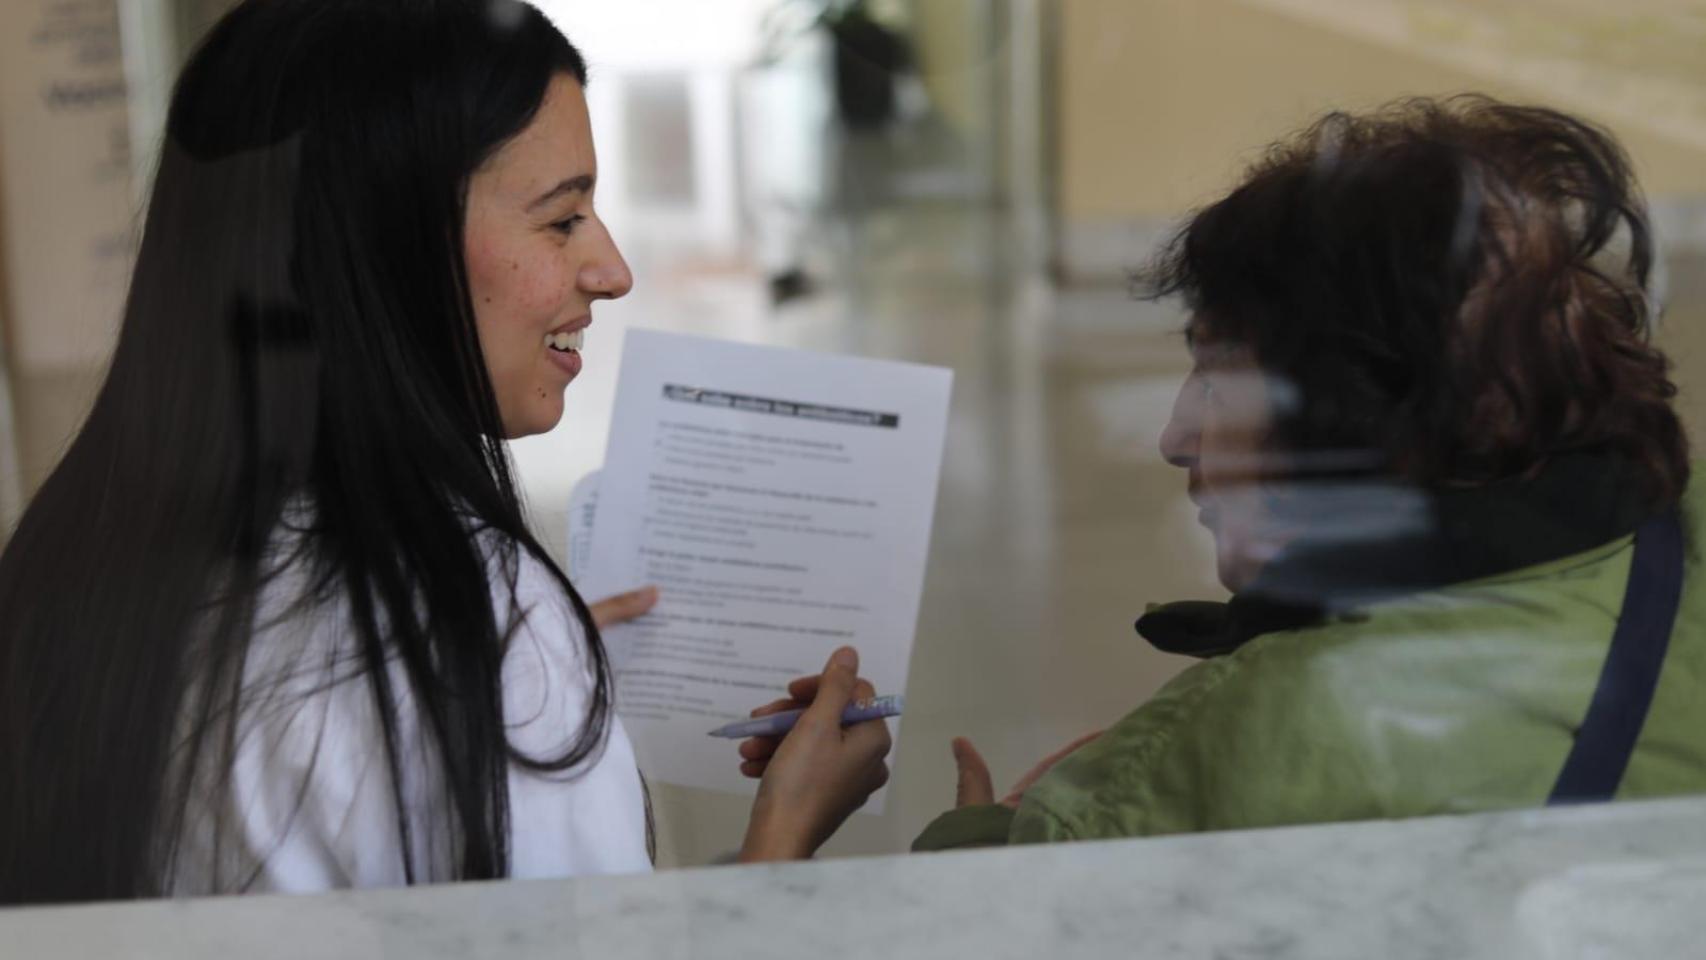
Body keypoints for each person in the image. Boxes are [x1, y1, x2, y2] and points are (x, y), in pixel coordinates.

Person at [0, 0, 889, 904]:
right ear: (387, 245)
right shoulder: (488, 639)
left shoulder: (69, 562)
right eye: (562, 218)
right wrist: (784, 835)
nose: (613, 272)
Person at [904, 95, 1706, 850]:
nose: (1176, 437)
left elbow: (984, 915)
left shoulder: (1274, 724)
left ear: (1356, 415)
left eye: (1219, 378)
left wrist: (983, 830)